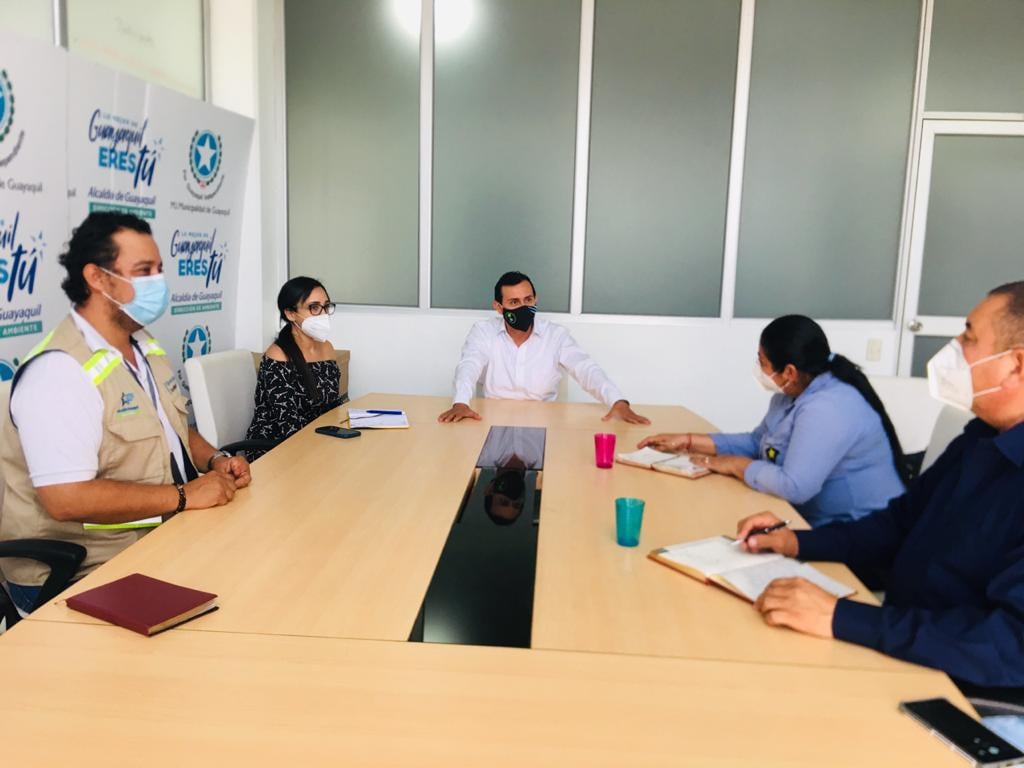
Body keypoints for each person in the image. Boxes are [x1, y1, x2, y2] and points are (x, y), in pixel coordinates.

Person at [732, 282, 1024, 696]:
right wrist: (795, 542)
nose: (954, 348)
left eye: (969, 337)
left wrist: (840, 618)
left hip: (965, 691)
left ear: (1016, 365)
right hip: (902, 643)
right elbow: (899, 525)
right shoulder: (982, 437)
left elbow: (1009, 647)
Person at [0, 212, 250, 613]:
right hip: (85, 569)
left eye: (159, 270)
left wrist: (215, 460)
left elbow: (172, 427)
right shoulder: (59, 371)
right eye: (143, 271)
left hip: (158, 536)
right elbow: (65, 499)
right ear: (97, 278)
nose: (158, 283)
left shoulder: (142, 345)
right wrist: (183, 495)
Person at [639, 315, 908, 526]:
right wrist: (688, 441)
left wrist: (736, 465)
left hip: (859, 534)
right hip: (810, 521)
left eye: (762, 361)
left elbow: (795, 487)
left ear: (789, 371)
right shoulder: (790, 394)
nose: (759, 369)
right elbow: (758, 443)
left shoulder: (827, 408)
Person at [438, 271, 649, 424]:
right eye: (514, 302)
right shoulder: (483, 331)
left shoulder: (555, 335)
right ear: (499, 307)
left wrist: (617, 401)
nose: (523, 307)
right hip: (491, 420)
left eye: (528, 299)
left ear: (535, 299)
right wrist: (461, 402)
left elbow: (585, 368)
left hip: (544, 423)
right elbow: (469, 365)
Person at [245, 277, 341, 459]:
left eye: (326, 306)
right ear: (290, 314)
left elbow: (332, 407)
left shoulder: (327, 348)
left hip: (318, 441)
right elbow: (288, 425)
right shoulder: (277, 356)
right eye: (314, 307)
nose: (323, 314)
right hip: (277, 448)